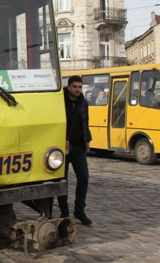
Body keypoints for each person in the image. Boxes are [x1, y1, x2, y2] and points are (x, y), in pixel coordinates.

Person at [58, 75, 93, 226]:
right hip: (62, 147)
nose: (78, 90)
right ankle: (64, 211)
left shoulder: (83, 103)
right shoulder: (60, 101)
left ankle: (79, 210)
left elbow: (86, 123)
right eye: (75, 87)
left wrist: (87, 141)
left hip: (78, 146)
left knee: (84, 177)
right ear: (69, 86)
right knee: (62, 180)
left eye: (80, 87)